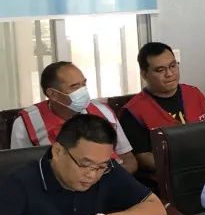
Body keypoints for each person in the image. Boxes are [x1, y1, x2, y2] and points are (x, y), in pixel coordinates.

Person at [0, 114, 168, 215]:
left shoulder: (108, 170)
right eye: (84, 165)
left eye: (100, 167)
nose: (92, 175)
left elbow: (157, 211)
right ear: (58, 152)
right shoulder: (20, 181)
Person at [10, 61, 138, 175]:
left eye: (84, 84)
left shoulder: (103, 111)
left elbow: (129, 159)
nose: (83, 91)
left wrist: (114, 180)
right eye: (75, 87)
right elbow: (19, 171)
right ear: (53, 94)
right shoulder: (27, 123)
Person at [120, 42, 205, 175]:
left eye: (173, 66)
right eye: (160, 70)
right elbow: (144, 158)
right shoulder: (133, 111)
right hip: (169, 175)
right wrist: (187, 163)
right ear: (144, 74)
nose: (169, 73)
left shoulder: (194, 93)